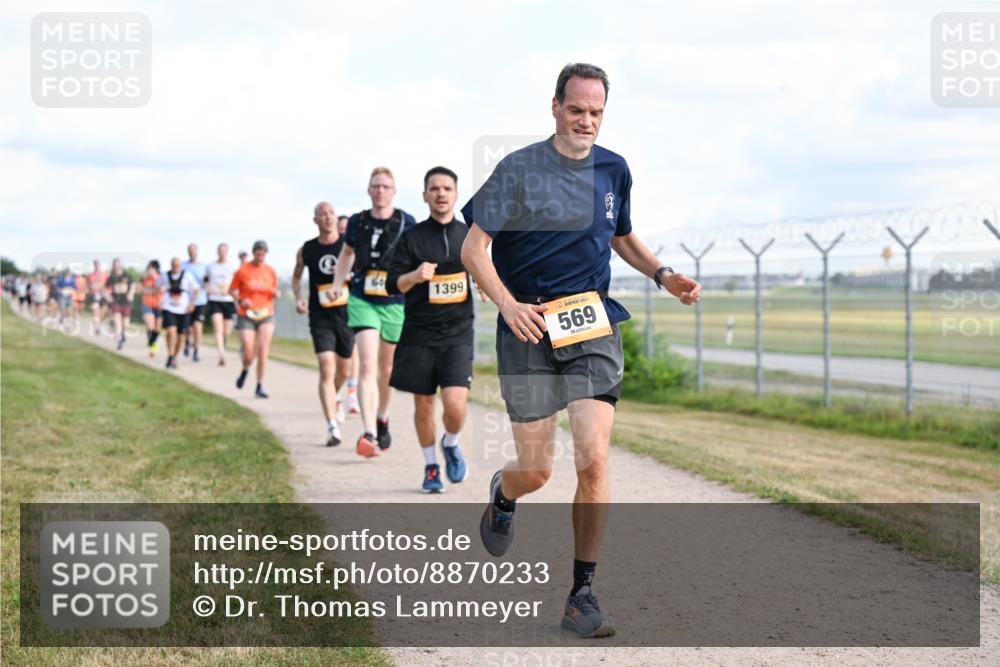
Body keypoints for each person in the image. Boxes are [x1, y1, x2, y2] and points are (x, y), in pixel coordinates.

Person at [460, 63, 702, 638]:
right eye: (577, 110)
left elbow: (620, 236)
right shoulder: (518, 169)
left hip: (590, 321)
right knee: (538, 470)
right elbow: (474, 249)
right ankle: (504, 491)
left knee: (593, 458)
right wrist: (508, 305)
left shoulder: (613, 168)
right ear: (554, 106)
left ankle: (581, 594)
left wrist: (662, 273)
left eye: (596, 113)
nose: (586, 121)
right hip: (528, 325)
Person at [386, 166, 473, 493]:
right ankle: (431, 465)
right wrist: (415, 276)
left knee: (455, 405)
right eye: (434, 188)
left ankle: (450, 443)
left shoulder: (469, 235)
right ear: (425, 196)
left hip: (458, 334)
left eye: (446, 188)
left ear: (455, 194)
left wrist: (481, 283)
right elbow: (391, 283)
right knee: (423, 405)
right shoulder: (412, 238)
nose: (440, 193)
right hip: (419, 334)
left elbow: (486, 271)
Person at [330, 167, 417, 457]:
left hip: (394, 300)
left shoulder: (407, 221)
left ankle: (382, 416)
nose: (380, 190)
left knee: (387, 369)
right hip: (362, 297)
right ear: (369, 191)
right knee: (367, 366)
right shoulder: (357, 222)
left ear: (393, 191)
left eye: (385, 186)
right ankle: (368, 432)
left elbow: (420, 259)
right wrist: (335, 283)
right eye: (376, 186)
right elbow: (346, 254)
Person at [293, 202, 355, 447]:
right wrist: (299, 298)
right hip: (320, 316)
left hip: (347, 314)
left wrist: (349, 279)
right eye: (323, 214)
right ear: (315, 220)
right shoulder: (307, 249)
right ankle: (331, 426)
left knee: (344, 371)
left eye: (331, 213)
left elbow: (361, 272)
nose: (328, 218)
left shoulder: (348, 245)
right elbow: (297, 277)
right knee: (326, 367)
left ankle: (335, 397)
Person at [230, 240, 279, 398]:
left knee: (263, 351)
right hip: (247, 315)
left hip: (266, 314)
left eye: (262, 255)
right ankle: (245, 370)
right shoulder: (243, 271)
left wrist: (276, 294)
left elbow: (274, 291)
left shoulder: (270, 271)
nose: (260, 257)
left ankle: (259, 386)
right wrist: (240, 300)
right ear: (253, 253)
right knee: (249, 353)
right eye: (257, 254)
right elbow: (232, 290)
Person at [158, 257, 200, 369]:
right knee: (171, 331)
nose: (175, 267)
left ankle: (174, 357)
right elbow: (157, 288)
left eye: (177, 265)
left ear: (180, 266)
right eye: (173, 265)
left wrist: (192, 303)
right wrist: (160, 300)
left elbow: (196, 289)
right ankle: (170, 355)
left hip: (183, 309)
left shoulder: (187, 276)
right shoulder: (164, 275)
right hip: (169, 308)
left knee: (181, 336)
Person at [339, 214, 361, 417]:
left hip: (356, 305)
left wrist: (352, 276)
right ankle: (336, 392)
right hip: (334, 310)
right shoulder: (334, 253)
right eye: (341, 229)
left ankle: (352, 395)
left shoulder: (359, 250)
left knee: (355, 350)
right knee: (340, 360)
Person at [205, 243, 237, 366]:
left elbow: (236, 282)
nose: (222, 252)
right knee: (218, 328)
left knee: (226, 331)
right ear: (217, 252)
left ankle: (222, 345)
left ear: (227, 252)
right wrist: (207, 288)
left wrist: (231, 291)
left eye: (224, 250)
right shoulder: (211, 266)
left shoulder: (231, 267)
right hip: (214, 299)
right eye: (220, 250)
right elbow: (206, 279)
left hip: (228, 300)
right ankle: (221, 354)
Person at [182, 244, 209, 362]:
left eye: (194, 250)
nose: (192, 252)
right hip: (185, 301)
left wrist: (207, 284)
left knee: (198, 326)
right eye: (190, 250)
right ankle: (187, 342)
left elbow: (208, 282)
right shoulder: (183, 265)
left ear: (197, 251)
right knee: (187, 327)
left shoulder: (204, 267)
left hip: (200, 300)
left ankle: (196, 350)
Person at [106, 258, 134, 350]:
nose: (116, 267)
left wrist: (131, 294)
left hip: (126, 302)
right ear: (113, 266)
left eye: (118, 265)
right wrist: (108, 297)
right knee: (117, 321)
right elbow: (105, 288)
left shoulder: (127, 275)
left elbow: (133, 285)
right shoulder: (112, 277)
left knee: (125, 325)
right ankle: (119, 340)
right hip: (116, 302)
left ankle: (122, 335)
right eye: (115, 265)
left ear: (120, 265)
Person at [140, 260, 162, 357]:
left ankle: (153, 347)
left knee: (157, 329)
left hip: (159, 305)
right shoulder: (145, 279)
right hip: (147, 304)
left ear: (156, 269)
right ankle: (152, 346)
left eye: (151, 268)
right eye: (148, 268)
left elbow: (161, 290)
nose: (149, 270)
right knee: (150, 326)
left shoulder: (162, 278)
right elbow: (140, 289)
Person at [86, 260, 109, 335]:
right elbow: (88, 285)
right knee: (95, 310)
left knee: (103, 311)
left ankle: (99, 324)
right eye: (95, 265)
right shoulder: (90, 275)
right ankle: (97, 327)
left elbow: (108, 284)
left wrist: (104, 289)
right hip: (94, 295)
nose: (97, 266)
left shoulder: (105, 274)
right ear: (94, 266)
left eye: (98, 265)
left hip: (103, 295)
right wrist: (90, 290)